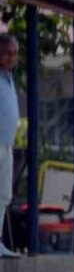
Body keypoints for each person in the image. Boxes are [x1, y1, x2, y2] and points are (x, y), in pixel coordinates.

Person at [0, 33, 20, 258]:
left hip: (6, 143)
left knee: (3, 194)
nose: (12, 58)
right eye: (8, 53)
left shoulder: (9, 77)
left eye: (15, 53)